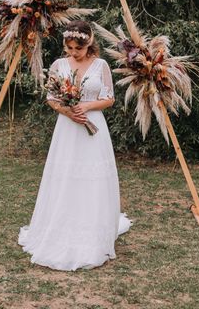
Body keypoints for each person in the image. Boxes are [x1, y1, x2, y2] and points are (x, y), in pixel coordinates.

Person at [18, 20, 133, 271]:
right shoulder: (59, 65)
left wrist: (87, 106)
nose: (72, 53)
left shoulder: (101, 65)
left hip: (93, 127)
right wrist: (68, 112)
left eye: (77, 49)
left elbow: (109, 98)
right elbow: (51, 98)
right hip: (67, 128)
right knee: (66, 175)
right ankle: (61, 223)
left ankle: (93, 228)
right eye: (69, 48)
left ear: (89, 43)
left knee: (93, 177)